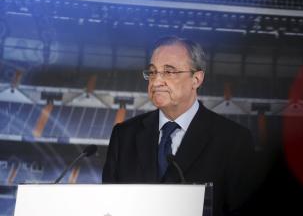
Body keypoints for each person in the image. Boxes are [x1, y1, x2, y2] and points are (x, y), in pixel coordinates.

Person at [102, 36, 256, 216]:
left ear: (196, 79)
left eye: (169, 72)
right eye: (152, 72)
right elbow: (109, 206)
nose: (156, 81)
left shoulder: (234, 140)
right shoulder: (124, 135)